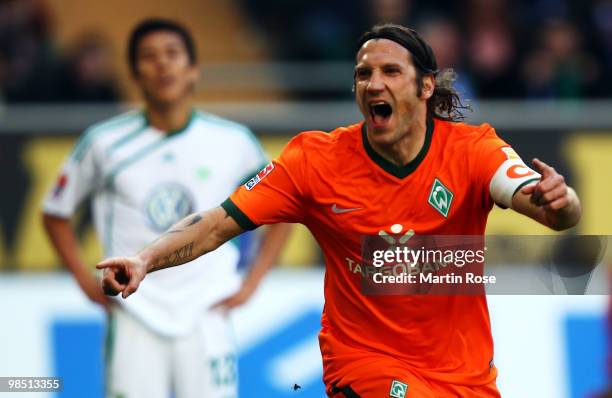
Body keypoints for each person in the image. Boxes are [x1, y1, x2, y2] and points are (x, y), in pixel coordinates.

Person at [97, 24, 582, 397]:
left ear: (426, 87)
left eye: (391, 72)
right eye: (363, 74)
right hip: (363, 361)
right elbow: (215, 223)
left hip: (465, 376)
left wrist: (559, 204)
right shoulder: (314, 161)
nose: (374, 83)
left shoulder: (473, 150)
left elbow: (546, 204)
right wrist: (145, 259)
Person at [42, 18, 289, 398]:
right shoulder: (104, 143)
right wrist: (82, 279)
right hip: (134, 312)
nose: (162, 65)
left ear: (193, 70)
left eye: (173, 54)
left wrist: (252, 282)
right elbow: (55, 212)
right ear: (134, 72)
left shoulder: (233, 141)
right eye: (149, 57)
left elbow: (282, 205)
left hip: (207, 311)